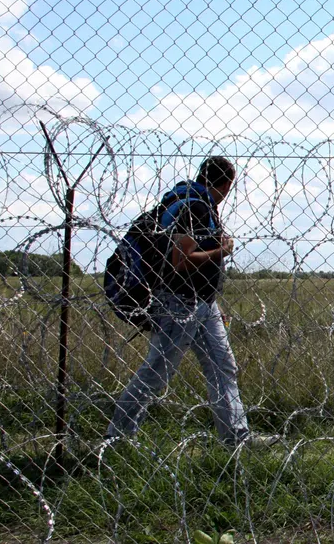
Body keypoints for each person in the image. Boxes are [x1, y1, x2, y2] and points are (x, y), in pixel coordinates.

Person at [106, 156, 275, 448]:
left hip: (202, 304)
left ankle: (236, 438)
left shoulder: (199, 203)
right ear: (227, 183)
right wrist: (222, 250)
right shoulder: (194, 207)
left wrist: (212, 306)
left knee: (223, 367)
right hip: (179, 303)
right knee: (157, 371)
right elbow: (181, 261)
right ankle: (117, 437)